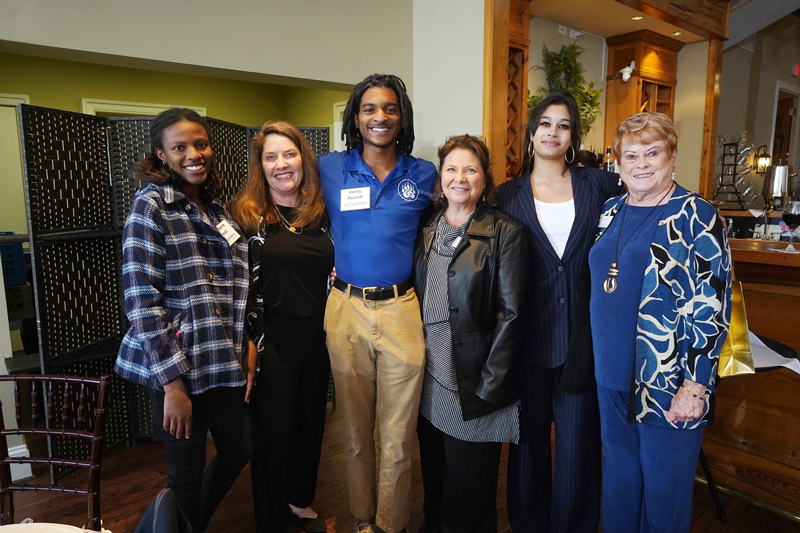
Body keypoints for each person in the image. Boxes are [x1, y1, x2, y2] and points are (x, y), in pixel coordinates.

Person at [588, 112, 732, 532]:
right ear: (618, 163)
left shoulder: (696, 214)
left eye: (653, 152)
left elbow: (712, 307)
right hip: (610, 375)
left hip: (668, 379)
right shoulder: (611, 209)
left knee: (664, 492)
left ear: (671, 156)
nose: (641, 163)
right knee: (619, 480)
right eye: (631, 155)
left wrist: (695, 386)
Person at [114, 108, 253, 532]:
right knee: (185, 475)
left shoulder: (217, 209)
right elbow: (141, 299)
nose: (194, 154)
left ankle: (183, 527)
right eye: (180, 148)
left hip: (222, 361)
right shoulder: (150, 205)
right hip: (182, 367)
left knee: (238, 448)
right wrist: (172, 384)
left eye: (201, 144)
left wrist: (245, 342)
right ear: (161, 154)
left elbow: (235, 289)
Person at [497, 91, 620, 533]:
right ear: (531, 133)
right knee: (527, 448)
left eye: (563, 125)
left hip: (583, 341)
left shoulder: (601, 185)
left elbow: (648, 205)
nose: (553, 132)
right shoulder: (504, 196)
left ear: (573, 137)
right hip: (526, 339)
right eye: (545, 124)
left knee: (577, 449)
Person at [319, 73, 437, 533]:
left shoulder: (425, 173)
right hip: (345, 308)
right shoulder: (329, 167)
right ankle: (364, 520)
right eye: (369, 109)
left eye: (389, 108)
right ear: (354, 117)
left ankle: (391, 524)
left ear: (401, 116)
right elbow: (300, 223)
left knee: (398, 436)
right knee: (354, 434)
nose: (379, 117)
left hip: (402, 311)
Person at [414, 135, 530, 533]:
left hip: (476, 383)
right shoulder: (428, 226)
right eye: (451, 168)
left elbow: (512, 317)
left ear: (485, 179)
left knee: (470, 497)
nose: (459, 178)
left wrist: (489, 387)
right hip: (430, 379)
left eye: (470, 169)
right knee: (436, 484)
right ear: (440, 176)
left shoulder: (505, 232)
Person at [228, 121, 333, 533]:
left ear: (303, 159)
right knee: (273, 435)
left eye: (288, 154)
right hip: (269, 339)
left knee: (311, 422)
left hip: (319, 336)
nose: (281, 164)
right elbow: (236, 287)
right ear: (261, 166)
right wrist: (246, 342)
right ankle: (270, 520)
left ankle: (300, 500)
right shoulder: (247, 219)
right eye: (270, 157)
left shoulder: (322, 214)